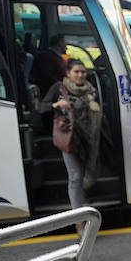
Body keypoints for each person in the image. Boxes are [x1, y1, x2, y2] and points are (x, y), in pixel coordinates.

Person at [38, 59, 102, 220]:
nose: (80, 75)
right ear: (68, 73)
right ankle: (78, 217)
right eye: (76, 72)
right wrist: (56, 105)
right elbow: (40, 107)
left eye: (83, 72)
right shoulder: (59, 88)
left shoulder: (91, 90)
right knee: (76, 176)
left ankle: (81, 194)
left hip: (90, 138)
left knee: (92, 174)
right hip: (69, 138)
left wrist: (92, 104)